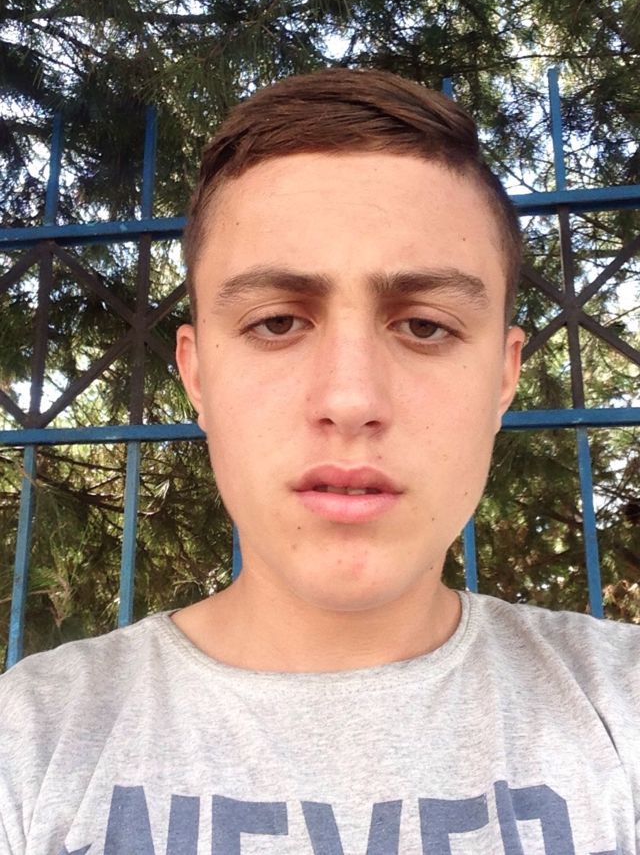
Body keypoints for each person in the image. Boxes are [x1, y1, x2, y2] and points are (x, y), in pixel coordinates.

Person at [1, 68, 638, 855]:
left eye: (426, 326)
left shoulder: (623, 707)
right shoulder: (28, 744)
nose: (350, 398)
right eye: (276, 322)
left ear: (504, 377)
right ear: (197, 376)